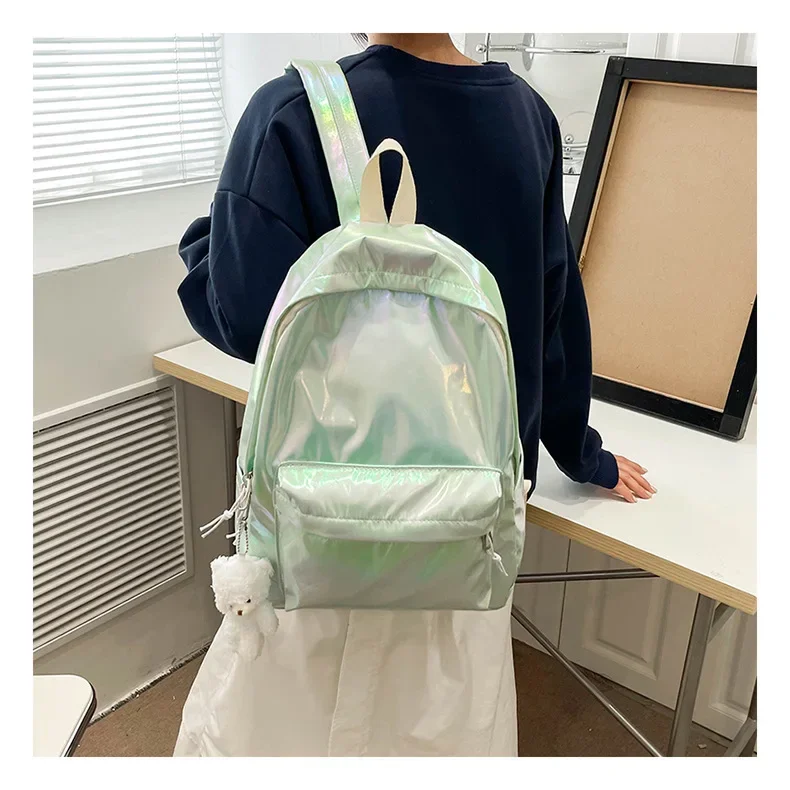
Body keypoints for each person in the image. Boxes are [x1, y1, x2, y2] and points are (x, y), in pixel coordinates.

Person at [174, 33, 655, 757]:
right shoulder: (528, 116)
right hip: (469, 511)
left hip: (329, 507)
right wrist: (582, 452)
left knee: (300, 731)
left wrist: (202, 247)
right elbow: (551, 311)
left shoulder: (293, 110)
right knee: (448, 724)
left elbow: (246, 319)